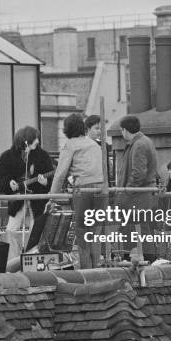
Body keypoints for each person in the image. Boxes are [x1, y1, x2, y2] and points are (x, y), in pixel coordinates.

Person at [48, 113, 105, 269]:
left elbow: (60, 175)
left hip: (84, 190)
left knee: (82, 234)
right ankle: (98, 272)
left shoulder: (70, 145)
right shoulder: (94, 144)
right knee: (95, 234)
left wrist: (52, 199)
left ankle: (87, 273)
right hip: (102, 190)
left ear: (66, 130)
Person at [0, 126, 53, 262]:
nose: (37, 141)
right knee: (10, 230)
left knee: (35, 231)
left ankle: (32, 260)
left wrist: (45, 183)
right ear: (26, 141)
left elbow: (51, 176)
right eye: (34, 138)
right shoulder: (8, 155)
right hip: (17, 199)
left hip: (37, 200)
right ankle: (11, 260)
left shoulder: (43, 156)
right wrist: (8, 183)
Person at [117, 115, 158, 261]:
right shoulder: (145, 141)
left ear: (125, 130)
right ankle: (145, 260)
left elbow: (138, 173)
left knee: (137, 231)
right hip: (142, 196)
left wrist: (126, 193)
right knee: (141, 230)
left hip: (137, 198)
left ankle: (143, 261)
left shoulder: (138, 144)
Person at [85, 114, 115, 186]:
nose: (99, 131)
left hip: (102, 185)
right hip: (86, 185)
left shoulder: (104, 145)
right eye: (97, 128)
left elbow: (107, 167)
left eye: (101, 129)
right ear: (88, 129)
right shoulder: (80, 145)